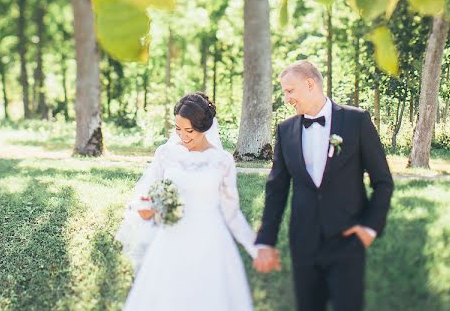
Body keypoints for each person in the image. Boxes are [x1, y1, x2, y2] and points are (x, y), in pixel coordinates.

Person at [253, 60, 394, 311]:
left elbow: (383, 181)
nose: (286, 98)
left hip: (347, 242)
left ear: (310, 84)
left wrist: (370, 227)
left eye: (289, 91)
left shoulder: (356, 121)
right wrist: (266, 241)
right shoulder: (286, 131)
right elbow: (277, 189)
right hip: (303, 243)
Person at [117, 92, 257, 311]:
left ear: (204, 127)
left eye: (189, 130)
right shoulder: (165, 154)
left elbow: (231, 213)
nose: (183, 136)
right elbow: (147, 195)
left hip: (211, 242)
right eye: (178, 129)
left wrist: (255, 248)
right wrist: (147, 209)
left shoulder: (222, 161)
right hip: (172, 239)